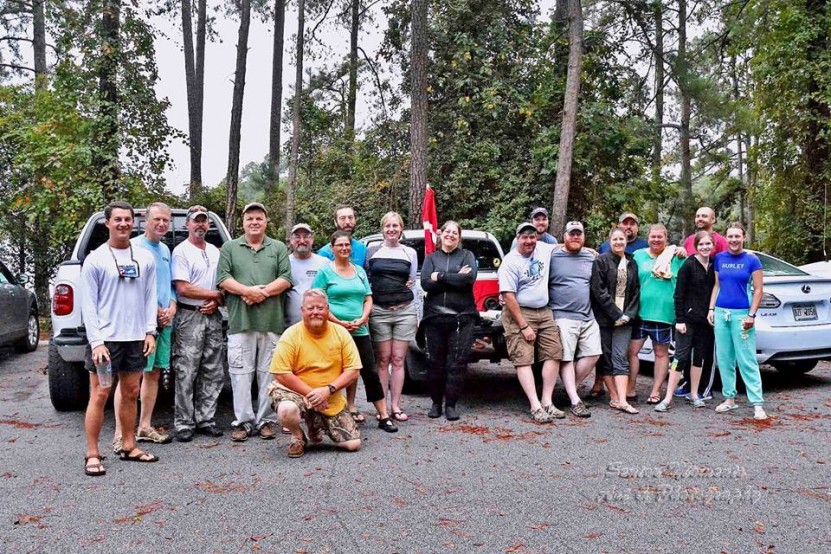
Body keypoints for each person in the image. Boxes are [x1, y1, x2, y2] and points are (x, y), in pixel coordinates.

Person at [80, 201, 159, 476]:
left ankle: (129, 445)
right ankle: (92, 453)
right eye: (118, 220)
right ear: (108, 223)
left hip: (135, 338)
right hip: (106, 341)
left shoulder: (144, 258)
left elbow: (151, 297)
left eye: (127, 219)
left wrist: (150, 332)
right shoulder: (96, 259)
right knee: (100, 393)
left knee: (131, 392)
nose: (123, 224)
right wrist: (96, 342)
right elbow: (88, 305)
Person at [217, 202, 293, 441]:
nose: (254, 222)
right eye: (250, 218)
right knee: (240, 374)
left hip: (271, 322)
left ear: (266, 222)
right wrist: (246, 291)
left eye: (259, 218)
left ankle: (265, 421)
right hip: (241, 322)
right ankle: (243, 422)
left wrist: (261, 293)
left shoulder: (278, 247)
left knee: (268, 374)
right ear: (243, 222)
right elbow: (223, 279)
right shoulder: (230, 247)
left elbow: (285, 279)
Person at [312, 230, 398, 433]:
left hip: (360, 329)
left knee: (369, 370)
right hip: (333, 330)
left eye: (347, 245)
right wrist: (339, 322)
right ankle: (327, 415)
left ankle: (383, 415)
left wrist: (363, 317)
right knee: (332, 372)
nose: (344, 248)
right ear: (332, 249)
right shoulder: (325, 272)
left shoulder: (359, 270)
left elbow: (368, 297)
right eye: (340, 245)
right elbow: (318, 301)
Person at [111, 202, 176, 453]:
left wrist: (171, 307)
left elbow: (169, 285)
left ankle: (145, 427)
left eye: (165, 221)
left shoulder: (165, 250)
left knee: (154, 373)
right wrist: (151, 313)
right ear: (145, 220)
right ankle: (120, 433)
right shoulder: (134, 247)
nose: (161, 224)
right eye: (157, 219)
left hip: (163, 322)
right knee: (129, 378)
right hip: (140, 324)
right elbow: (129, 287)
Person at [267, 289, 362, 458]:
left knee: (352, 444)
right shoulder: (291, 335)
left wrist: (327, 390)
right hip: (297, 393)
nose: (315, 312)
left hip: (329, 397)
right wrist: (312, 394)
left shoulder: (341, 333)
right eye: (310, 308)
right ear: (302, 311)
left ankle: (315, 423)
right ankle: (297, 436)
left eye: (320, 308)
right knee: (287, 410)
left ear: (327, 310)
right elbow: (281, 373)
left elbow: (353, 370)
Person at [498, 222, 564, 423]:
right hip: (518, 311)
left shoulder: (543, 248)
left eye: (532, 237)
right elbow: (508, 296)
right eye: (525, 237)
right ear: (517, 238)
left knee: (554, 353)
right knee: (523, 358)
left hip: (544, 311)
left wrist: (591, 251)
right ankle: (535, 406)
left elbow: (565, 245)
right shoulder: (510, 262)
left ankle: (547, 402)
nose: (529, 241)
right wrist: (523, 326)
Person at [171, 205, 226, 441]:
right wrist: (215, 296)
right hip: (188, 316)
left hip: (212, 315)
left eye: (204, 221)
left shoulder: (215, 251)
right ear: (188, 224)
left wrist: (217, 300)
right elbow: (183, 287)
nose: (200, 224)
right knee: (186, 370)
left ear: (209, 225)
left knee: (213, 369)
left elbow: (223, 284)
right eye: (196, 221)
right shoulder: (181, 251)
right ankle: (184, 423)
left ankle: (206, 419)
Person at [708, 222, 767, 420]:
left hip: (742, 315)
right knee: (724, 358)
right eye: (730, 236)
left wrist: (751, 315)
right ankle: (729, 399)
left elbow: (758, 289)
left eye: (737, 236)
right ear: (726, 238)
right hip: (721, 313)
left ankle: (757, 403)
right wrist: (711, 308)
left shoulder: (752, 260)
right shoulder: (719, 259)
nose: (733, 240)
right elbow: (717, 285)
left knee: (746, 359)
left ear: (744, 237)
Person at [420, 221, 478, 421]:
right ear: (440, 234)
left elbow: (468, 280)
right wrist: (453, 277)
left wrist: (441, 276)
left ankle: (451, 405)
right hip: (434, 317)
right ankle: (436, 403)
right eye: (447, 232)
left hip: (462, 317)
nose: (451, 235)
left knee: (457, 363)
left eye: (455, 233)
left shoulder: (467, 256)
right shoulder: (431, 258)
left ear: (459, 237)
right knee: (434, 362)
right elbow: (426, 283)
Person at [365, 211, 419, 423]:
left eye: (396, 226)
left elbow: (412, 280)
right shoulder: (372, 251)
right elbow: (365, 277)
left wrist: (416, 312)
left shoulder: (410, 253)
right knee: (382, 360)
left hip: (404, 310)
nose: (392, 229)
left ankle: (396, 405)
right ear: (382, 229)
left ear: (401, 229)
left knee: (398, 360)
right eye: (388, 226)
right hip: (379, 311)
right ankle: (382, 408)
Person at [654, 230, 716, 412]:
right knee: (680, 358)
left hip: (704, 322)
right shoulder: (688, 265)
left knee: (699, 358)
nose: (705, 247)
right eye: (701, 244)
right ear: (696, 247)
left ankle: (695, 394)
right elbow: (678, 295)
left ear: (713, 246)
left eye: (708, 244)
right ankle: (667, 398)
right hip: (686, 321)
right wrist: (680, 320)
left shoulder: (713, 266)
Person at [627, 224, 686, 404]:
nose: (656, 239)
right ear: (648, 237)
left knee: (661, 354)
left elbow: (687, 282)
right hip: (640, 313)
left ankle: (656, 391)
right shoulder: (638, 256)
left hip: (664, 314)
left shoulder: (676, 257)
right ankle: (630, 387)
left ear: (666, 238)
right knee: (632, 351)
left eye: (660, 237)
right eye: (653, 236)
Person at [548, 221, 601, 418]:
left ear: (584, 237)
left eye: (579, 234)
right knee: (567, 358)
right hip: (562, 315)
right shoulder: (552, 254)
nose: (575, 237)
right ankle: (574, 399)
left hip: (587, 316)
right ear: (565, 236)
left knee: (593, 354)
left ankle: (570, 388)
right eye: (572, 234)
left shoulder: (591, 256)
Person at [673, 206, 727, 400]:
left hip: (710, 306)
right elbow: (688, 265)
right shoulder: (689, 240)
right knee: (687, 352)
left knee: (705, 351)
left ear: (713, 218)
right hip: (691, 308)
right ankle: (688, 383)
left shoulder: (721, 242)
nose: (700, 218)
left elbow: (723, 269)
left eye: (704, 215)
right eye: (697, 215)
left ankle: (706, 387)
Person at [590, 227, 640, 414]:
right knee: (605, 356)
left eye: (622, 239)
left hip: (625, 319)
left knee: (620, 355)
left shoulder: (632, 263)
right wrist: (616, 314)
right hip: (605, 318)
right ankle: (614, 397)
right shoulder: (601, 261)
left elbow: (636, 291)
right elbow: (598, 290)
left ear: (626, 241)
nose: (619, 242)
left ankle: (623, 400)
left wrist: (628, 314)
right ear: (609, 241)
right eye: (615, 239)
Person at [286, 223, 327, 327]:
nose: (302, 241)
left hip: (319, 325)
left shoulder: (324, 263)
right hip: (290, 326)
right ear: (291, 240)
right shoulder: (284, 263)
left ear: (312, 239)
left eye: (306, 237)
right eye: (297, 237)